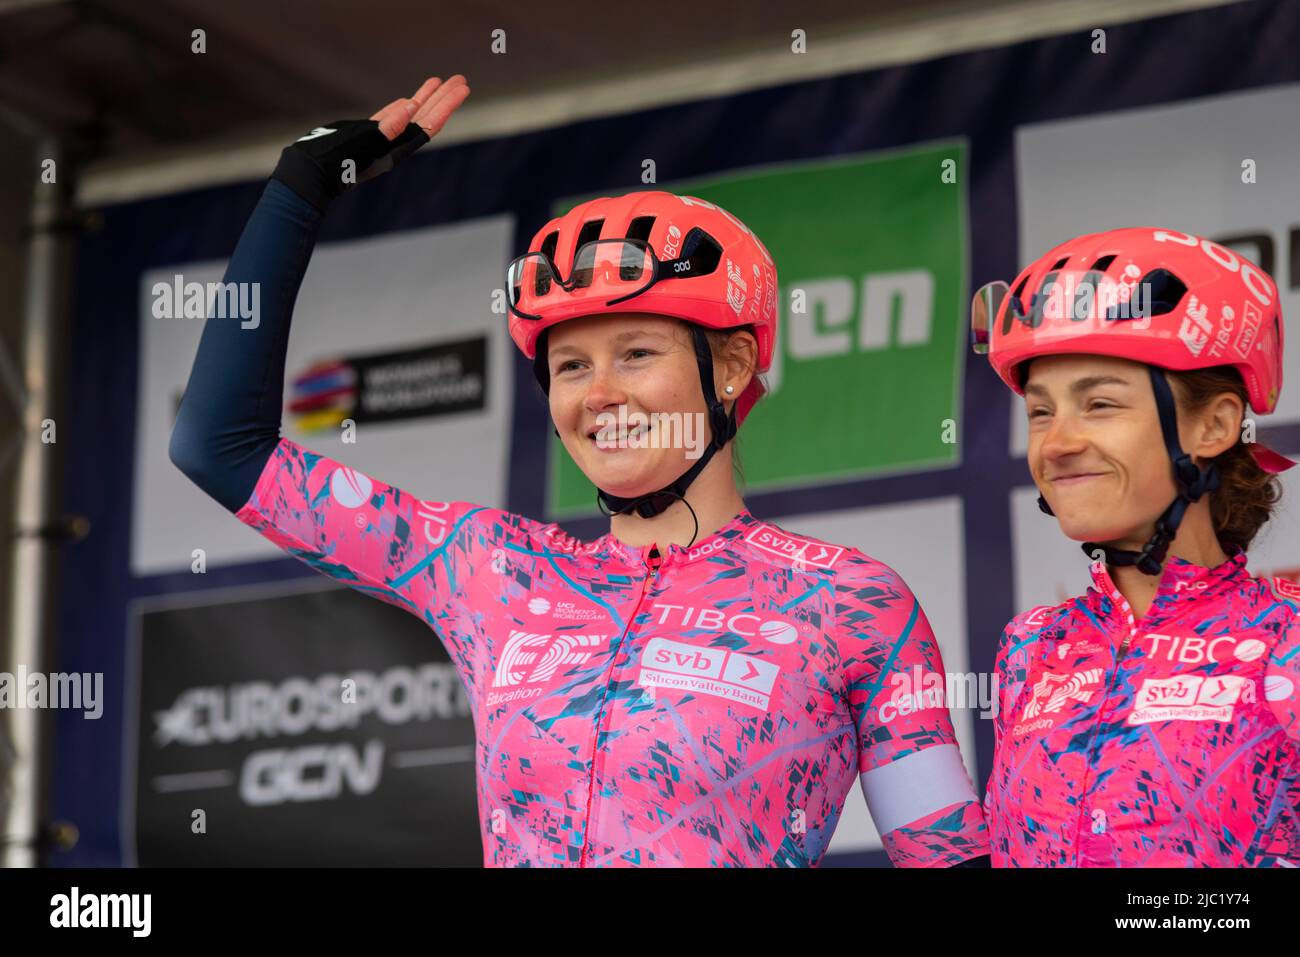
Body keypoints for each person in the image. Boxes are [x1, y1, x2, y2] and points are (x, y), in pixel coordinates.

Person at [169, 75, 989, 867]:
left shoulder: (851, 604)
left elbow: (946, 857)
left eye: (636, 353)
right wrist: (297, 193)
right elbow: (219, 446)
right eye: (569, 367)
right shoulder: (489, 568)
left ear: (734, 363)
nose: (600, 395)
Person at [971, 227, 1300, 866]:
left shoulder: (1288, 644)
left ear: (1214, 425)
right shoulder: (1030, 648)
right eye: (1041, 412)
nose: (1057, 443)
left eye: (1098, 404)